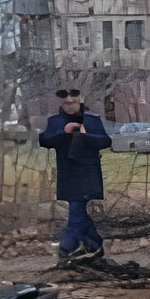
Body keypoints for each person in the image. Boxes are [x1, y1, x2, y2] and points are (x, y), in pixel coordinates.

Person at [38, 88, 113, 262]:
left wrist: (85, 135)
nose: (70, 106)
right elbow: (45, 140)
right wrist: (64, 132)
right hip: (69, 173)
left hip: (88, 172)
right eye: (66, 103)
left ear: (80, 101)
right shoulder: (55, 121)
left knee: (77, 214)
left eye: (73, 103)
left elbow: (105, 141)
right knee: (78, 212)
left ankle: (66, 250)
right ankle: (94, 248)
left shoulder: (92, 119)